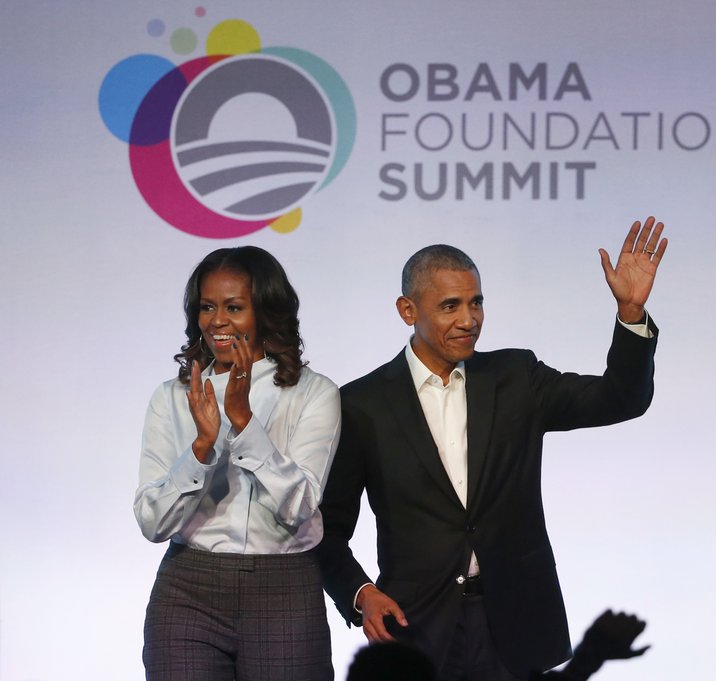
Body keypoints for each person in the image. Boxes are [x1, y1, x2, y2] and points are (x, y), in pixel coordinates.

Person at [316, 217, 667, 680]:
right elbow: (325, 530)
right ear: (407, 310)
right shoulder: (361, 404)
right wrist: (360, 594)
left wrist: (631, 315)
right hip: (417, 628)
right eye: (450, 306)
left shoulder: (516, 378)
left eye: (476, 302)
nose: (469, 319)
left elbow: (622, 399)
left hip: (516, 623)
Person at [134, 246, 340, 681]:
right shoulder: (172, 397)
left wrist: (244, 422)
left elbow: (300, 505)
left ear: (265, 312)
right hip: (189, 585)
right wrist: (202, 448)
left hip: (283, 587)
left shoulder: (313, 393)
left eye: (234, 307)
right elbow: (153, 522)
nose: (218, 321)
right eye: (207, 307)